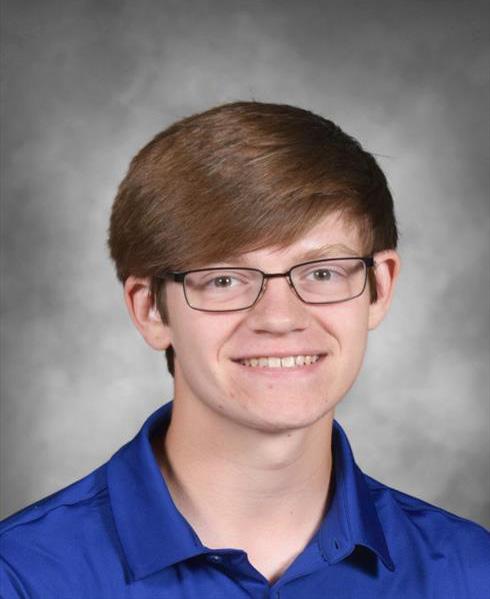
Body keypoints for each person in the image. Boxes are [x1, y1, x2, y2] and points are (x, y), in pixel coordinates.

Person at [1, 102, 488, 598]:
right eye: (224, 279)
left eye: (322, 272)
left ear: (378, 289)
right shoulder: (22, 578)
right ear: (150, 310)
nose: (279, 318)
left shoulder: (472, 573)